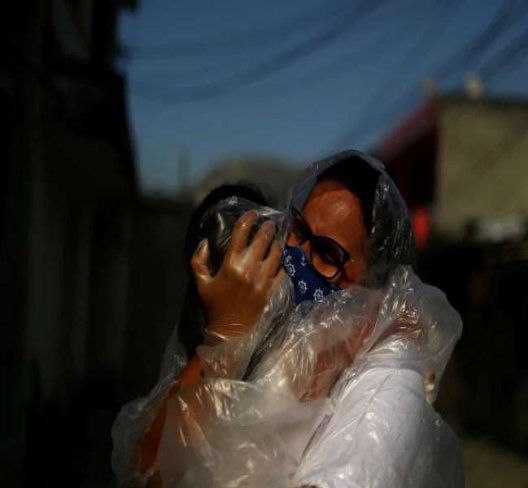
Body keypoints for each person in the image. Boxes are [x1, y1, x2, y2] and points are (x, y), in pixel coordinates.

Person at [113, 150, 463, 487]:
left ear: (375, 288)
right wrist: (224, 337)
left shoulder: (388, 377)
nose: (298, 258)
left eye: (326, 253)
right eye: (297, 230)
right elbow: (145, 472)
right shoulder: (276, 339)